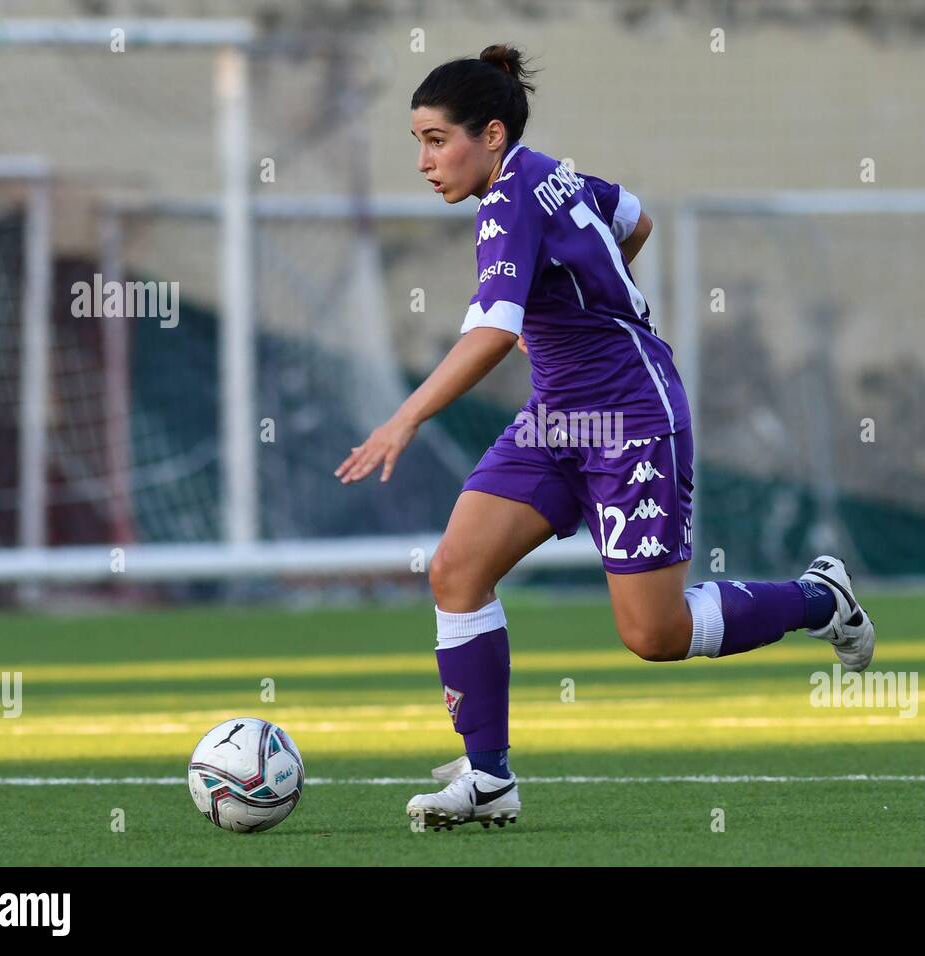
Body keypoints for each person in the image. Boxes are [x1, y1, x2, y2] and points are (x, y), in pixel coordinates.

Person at [336, 44, 875, 830]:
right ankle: (488, 779)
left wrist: (405, 416)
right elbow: (634, 219)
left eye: (434, 139)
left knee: (653, 633)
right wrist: (581, 305)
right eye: (416, 141)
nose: (423, 160)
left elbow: (491, 331)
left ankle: (819, 598)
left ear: (489, 134)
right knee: (457, 569)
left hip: (631, 418)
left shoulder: (508, 202)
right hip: (558, 417)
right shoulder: (546, 171)